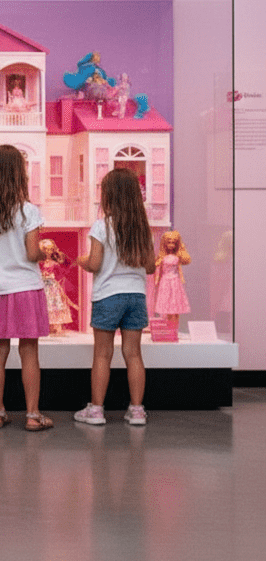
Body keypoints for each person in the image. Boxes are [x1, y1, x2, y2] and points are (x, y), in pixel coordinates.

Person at [0, 144, 52, 430]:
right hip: (27, 288)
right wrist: (44, 253)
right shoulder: (29, 211)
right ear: (19, 173)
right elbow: (32, 253)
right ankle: (32, 415)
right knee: (29, 351)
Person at [74, 168, 156, 426]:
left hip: (108, 296)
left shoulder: (101, 226)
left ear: (109, 196)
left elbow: (95, 263)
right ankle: (137, 410)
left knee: (102, 354)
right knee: (134, 354)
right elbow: (151, 267)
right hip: (136, 296)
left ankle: (96, 410)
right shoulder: (142, 228)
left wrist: (81, 260)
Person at [152, 230, 191, 327]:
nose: (171, 245)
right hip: (165, 281)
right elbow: (159, 270)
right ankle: (168, 326)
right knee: (166, 304)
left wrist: (181, 279)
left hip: (175, 281)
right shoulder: (162, 257)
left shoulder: (177, 257)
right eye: (169, 242)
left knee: (175, 304)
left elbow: (179, 270)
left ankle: (175, 327)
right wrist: (156, 281)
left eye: (173, 243)